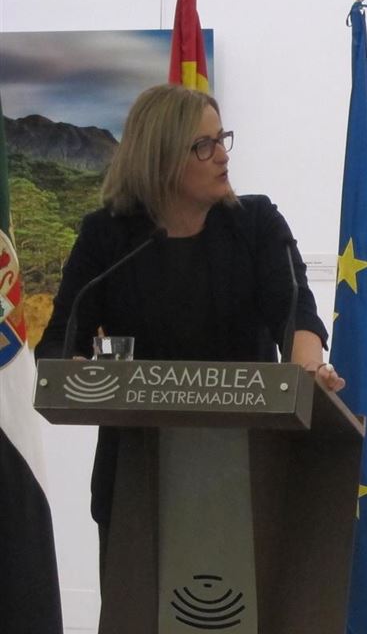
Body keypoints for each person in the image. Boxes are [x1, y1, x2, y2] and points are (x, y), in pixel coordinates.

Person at [36, 83, 345, 554]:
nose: (223, 155)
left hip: (245, 466)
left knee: (239, 623)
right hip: (136, 474)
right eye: (205, 145)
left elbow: (296, 312)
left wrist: (309, 369)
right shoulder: (109, 236)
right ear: (159, 157)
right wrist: (76, 371)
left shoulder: (256, 222)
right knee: (138, 623)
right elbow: (61, 338)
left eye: (222, 139)